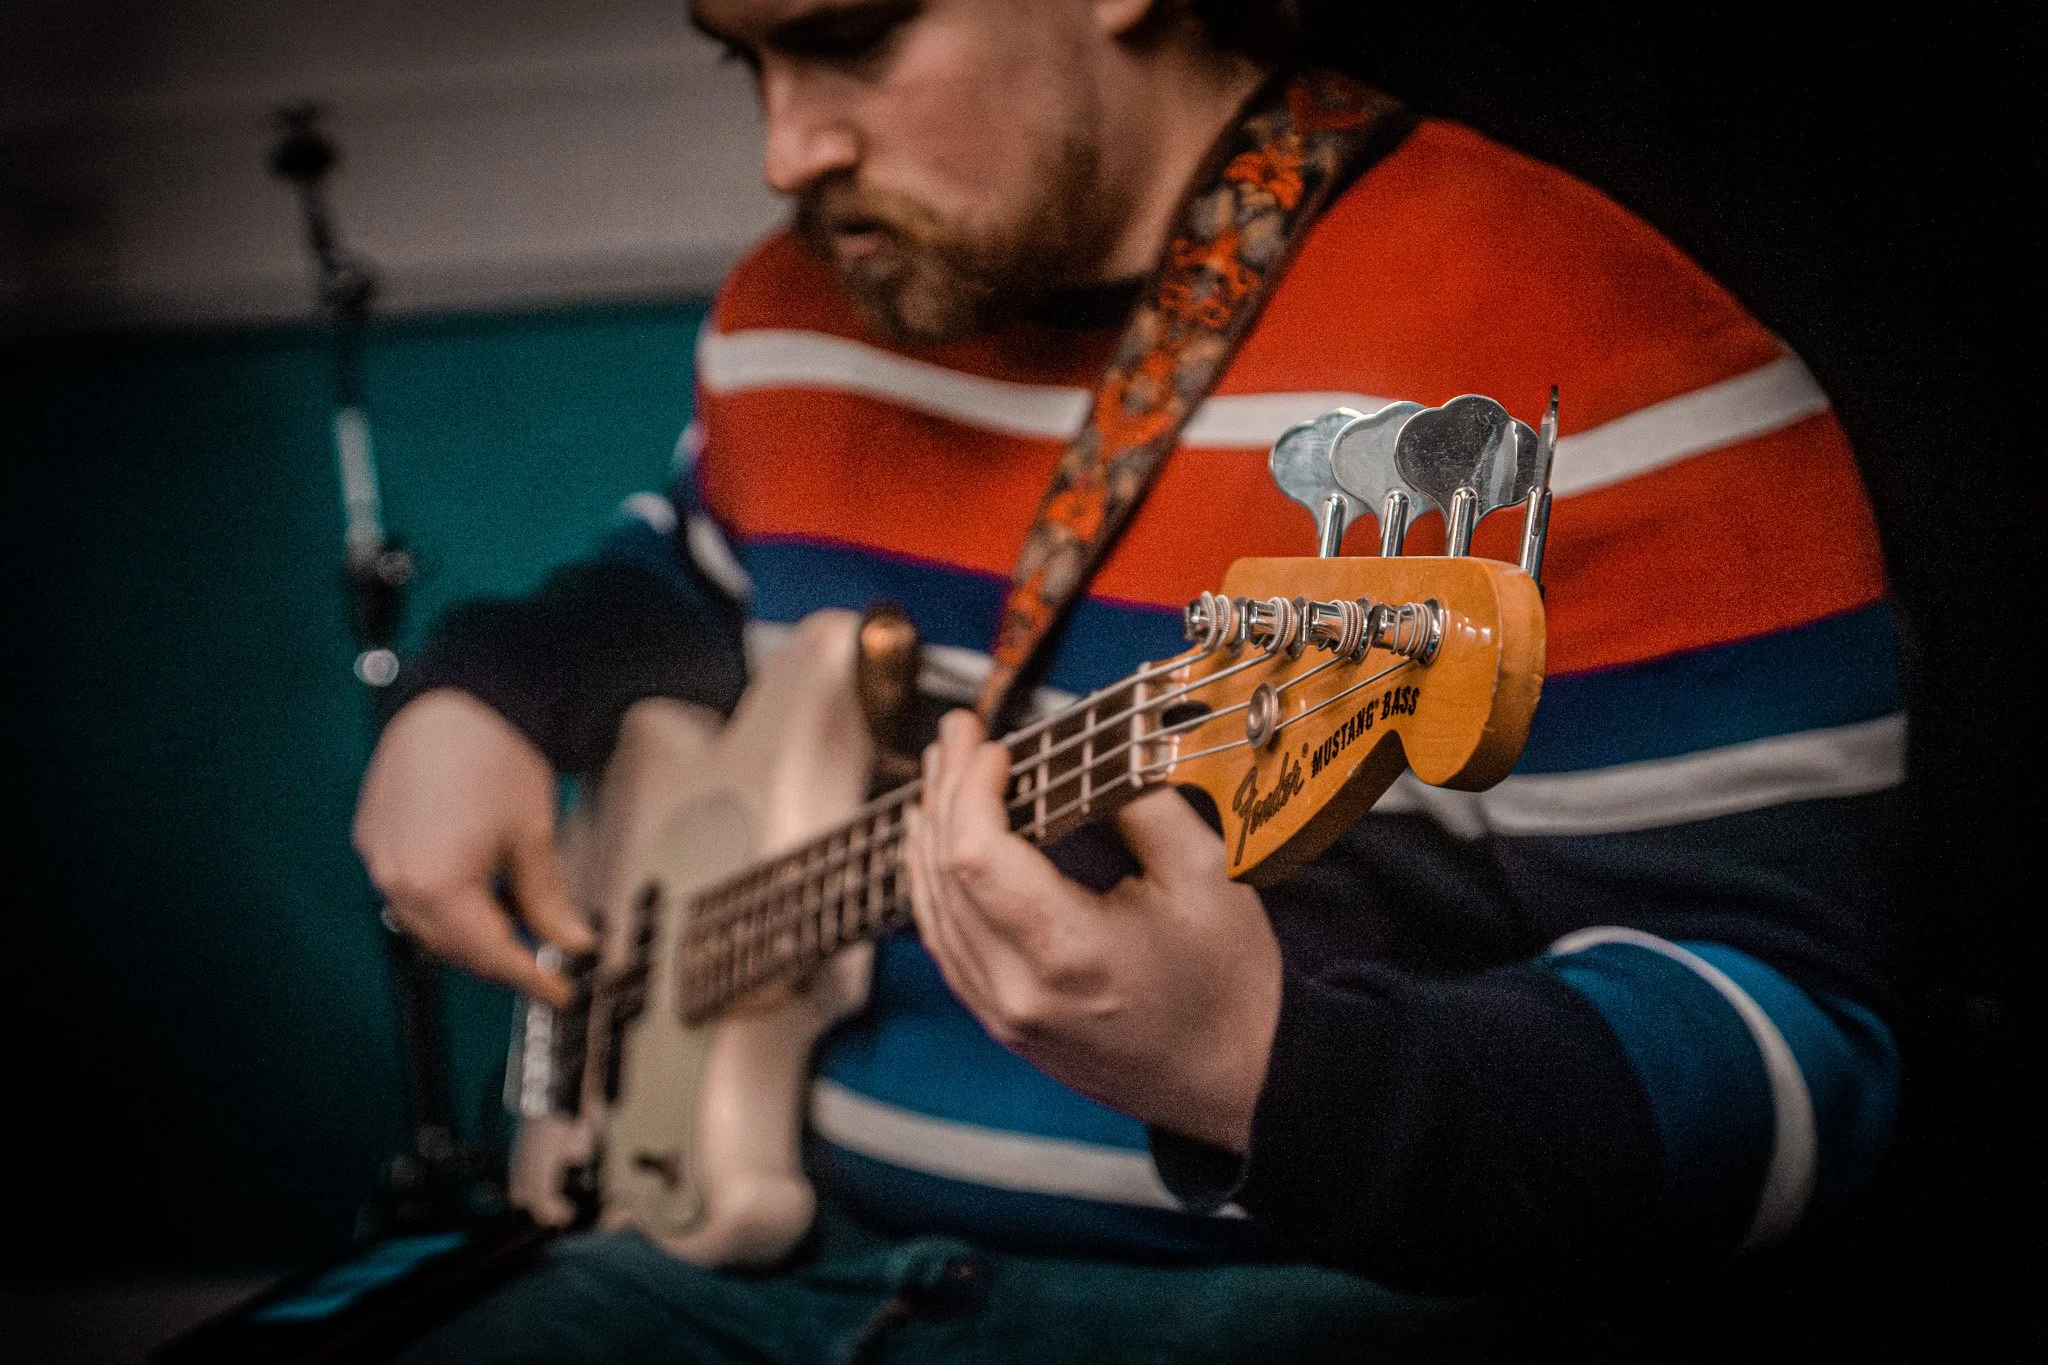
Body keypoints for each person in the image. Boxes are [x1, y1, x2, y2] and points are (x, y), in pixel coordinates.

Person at [354, 1, 1906, 1358]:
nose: (785, 150)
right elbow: (691, 569)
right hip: (742, 1263)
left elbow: (1797, 1083)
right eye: (742, 58)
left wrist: (1267, 1070)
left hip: (1299, 1299)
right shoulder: (793, 308)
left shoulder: (1595, 359)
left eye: (851, 38)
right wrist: (481, 693)